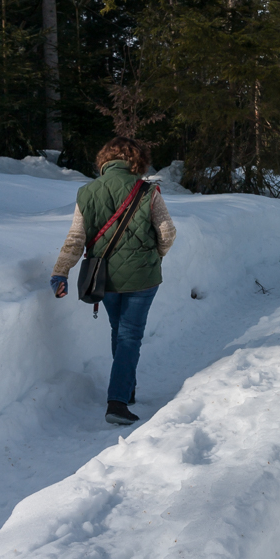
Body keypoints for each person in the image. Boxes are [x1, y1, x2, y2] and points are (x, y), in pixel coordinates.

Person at [51, 137, 176, 425]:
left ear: (105, 160)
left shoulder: (87, 192)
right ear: (137, 161)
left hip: (103, 277)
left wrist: (60, 272)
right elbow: (167, 232)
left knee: (118, 329)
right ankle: (117, 402)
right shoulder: (147, 191)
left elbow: (75, 238)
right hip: (143, 277)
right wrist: (154, 257)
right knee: (129, 335)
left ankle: (126, 389)